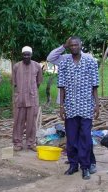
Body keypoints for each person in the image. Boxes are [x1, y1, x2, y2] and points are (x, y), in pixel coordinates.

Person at [47, 37, 97, 175]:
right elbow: (61, 86)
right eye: (71, 45)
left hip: (86, 105)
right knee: (71, 137)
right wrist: (61, 106)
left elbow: (95, 85)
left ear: (81, 45)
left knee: (86, 136)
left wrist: (97, 105)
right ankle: (73, 165)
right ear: (68, 46)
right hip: (70, 106)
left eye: (76, 44)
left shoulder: (90, 61)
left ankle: (86, 166)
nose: (74, 47)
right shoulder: (64, 62)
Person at [12, 46, 43, 152]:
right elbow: (14, 83)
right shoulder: (16, 66)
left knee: (31, 122)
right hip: (20, 99)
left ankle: (31, 143)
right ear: (22, 55)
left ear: (31, 55)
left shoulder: (37, 66)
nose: (26, 56)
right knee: (18, 122)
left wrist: (31, 91)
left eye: (28, 54)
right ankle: (18, 143)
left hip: (32, 99)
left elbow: (38, 82)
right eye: (24, 54)